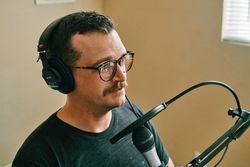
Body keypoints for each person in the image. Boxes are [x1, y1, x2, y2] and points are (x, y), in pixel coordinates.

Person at [13, 11, 175, 167]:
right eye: (105, 66)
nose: (121, 76)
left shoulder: (134, 115)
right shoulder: (37, 158)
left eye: (122, 60)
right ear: (62, 76)